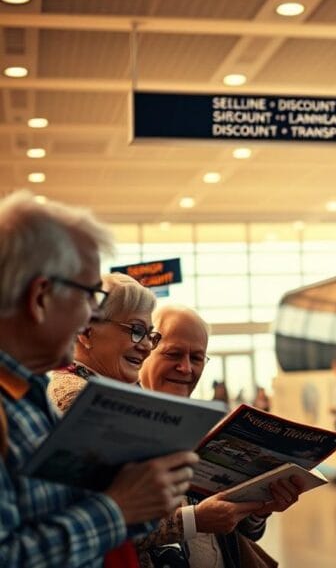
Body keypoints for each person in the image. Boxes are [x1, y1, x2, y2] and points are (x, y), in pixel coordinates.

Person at [0, 191, 197, 567]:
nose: (91, 316)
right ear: (41, 295)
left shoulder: (31, 393)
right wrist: (117, 509)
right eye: (89, 295)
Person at [137, 304, 302, 568]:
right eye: (174, 354)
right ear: (144, 349)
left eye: (197, 358)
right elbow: (110, 527)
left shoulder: (210, 430)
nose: (186, 368)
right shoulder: (120, 430)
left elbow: (244, 531)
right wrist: (193, 520)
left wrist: (259, 509)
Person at [47, 272, 160, 411]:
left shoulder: (108, 391)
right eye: (137, 330)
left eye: (149, 335)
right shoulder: (76, 399)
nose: (147, 346)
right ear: (86, 332)